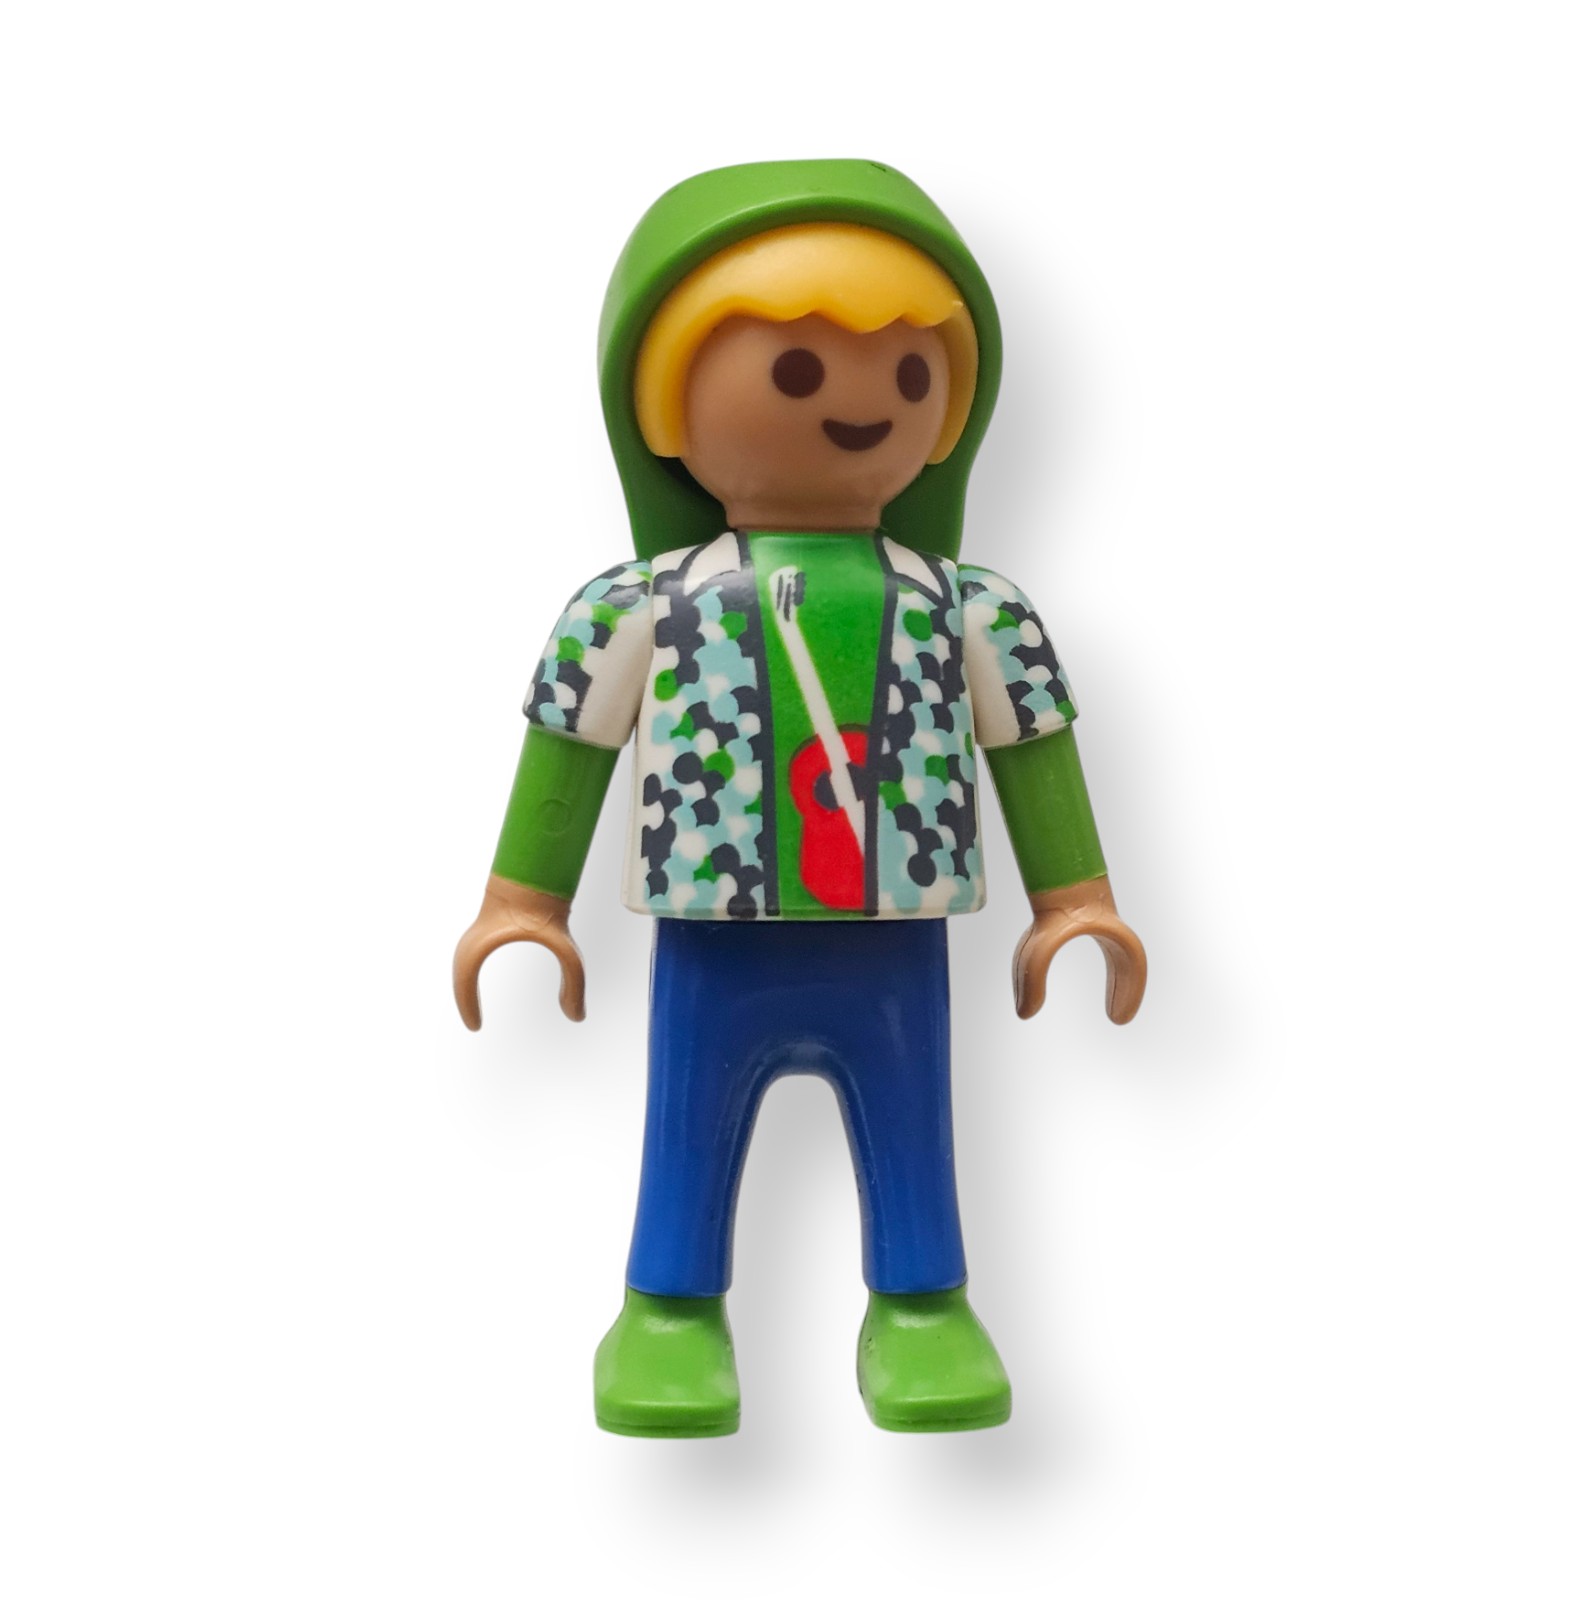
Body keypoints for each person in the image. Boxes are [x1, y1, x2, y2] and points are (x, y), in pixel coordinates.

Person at [454, 161, 1146, 1436]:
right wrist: (523, 903)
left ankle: (923, 1304)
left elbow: (1031, 744)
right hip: (713, 933)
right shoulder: (640, 605)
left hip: (894, 934)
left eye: (909, 371)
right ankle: (668, 1310)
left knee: (912, 1119)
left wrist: (1074, 899)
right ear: (664, 406)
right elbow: (569, 748)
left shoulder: (965, 607)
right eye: (793, 370)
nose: (861, 405)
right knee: (686, 1122)